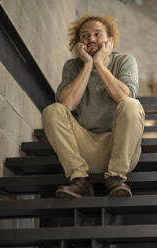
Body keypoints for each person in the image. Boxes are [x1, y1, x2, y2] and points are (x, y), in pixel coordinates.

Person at [42, 15, 145, 198]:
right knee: (53, 111)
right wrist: (89, 64)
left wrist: (99, 63)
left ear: (110, 41)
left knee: (131, 104)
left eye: (97, 34)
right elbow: (66, 104)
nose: (91, 39)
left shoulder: (124, 61)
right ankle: (79, 181)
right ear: (79, 42)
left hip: (121, 149)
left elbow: (123, 96)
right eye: (85, 36)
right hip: (86, 149)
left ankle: (116, 179)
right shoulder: (73, 66)